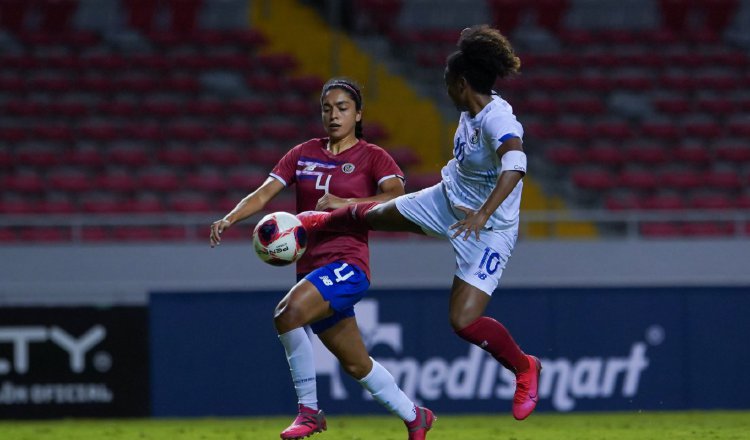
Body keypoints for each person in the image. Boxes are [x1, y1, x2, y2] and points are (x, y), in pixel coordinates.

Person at [297, 26, 542, 421]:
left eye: (447, 82)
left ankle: (525, 367)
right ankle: (316, 220)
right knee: (367, 214)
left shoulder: (498, 118)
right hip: (444, 202)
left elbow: (517, 162)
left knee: (462, 321)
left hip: (489, 231)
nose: (445, 89)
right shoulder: (470, 111)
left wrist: (483, 213)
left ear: (461, 83)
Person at [210, 78, 435, 440]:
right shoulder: (302, 153)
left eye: (343, 108)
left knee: (287, 314)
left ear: (358, 113)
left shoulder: (373, 156)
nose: (334, 115)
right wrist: (230, 217)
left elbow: (396, 195)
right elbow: (264, 193)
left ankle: (309, 413)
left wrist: (344, 205)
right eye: (327, 108)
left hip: (348, 266)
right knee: (356, 363)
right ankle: (415, 416)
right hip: (312, 269)